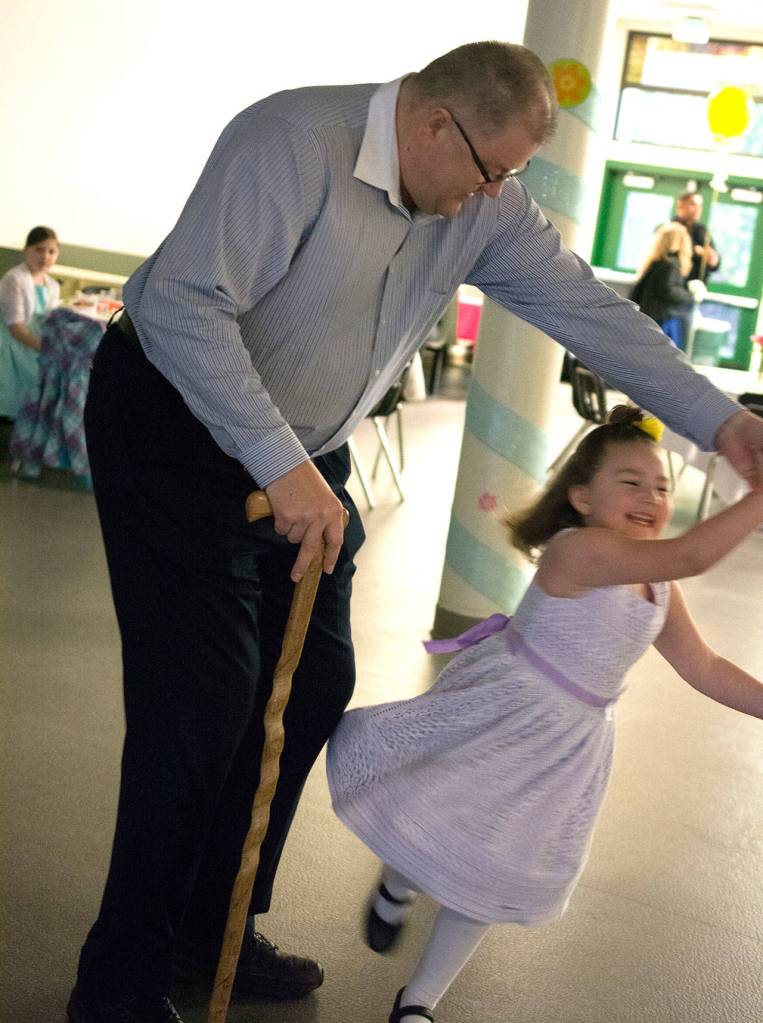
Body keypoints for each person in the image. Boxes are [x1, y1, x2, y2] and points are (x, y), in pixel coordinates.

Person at [69, 41, 763, 1023]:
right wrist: (279, 464)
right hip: (174, 425)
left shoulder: (480, 204)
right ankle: (120, 979)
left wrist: (723, 422)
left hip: (303, 453)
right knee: (203, 702)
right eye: (493, 171)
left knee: (314, 683)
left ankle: (211, 927)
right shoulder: (292, 140)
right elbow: (181, 305)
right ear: (436, 122)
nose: (496, 196)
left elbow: (590, 313)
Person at [327, 406, 763, 1023]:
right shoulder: (580, 551)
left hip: (568, 745)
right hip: (508, 713)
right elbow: (691, 554)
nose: (651, 497)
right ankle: (399, 882)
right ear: (582, 497)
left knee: (497, 862)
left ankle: (419, 1002)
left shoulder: (659, 587)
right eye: (631, 482)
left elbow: (706, 666)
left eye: (662, 487)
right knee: (444, 816)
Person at [0, 226, 60, 419]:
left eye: (51, 251)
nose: (45, 256)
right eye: (39, 249)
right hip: (13, 341)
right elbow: (16, 328)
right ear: (26, 250)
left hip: (34, 338)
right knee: (45, 374)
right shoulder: (15, 279)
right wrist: (45, 347)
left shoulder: (52, 285)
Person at [629, 222, 694, 349]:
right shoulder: (672, 265)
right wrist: (689, 295)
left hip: (648, 317)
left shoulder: (655, 262)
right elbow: (668, 290)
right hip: (663, 319)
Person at [673, 191, 721, 283]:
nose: (698, 209)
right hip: (675, 283)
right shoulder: (669, 229)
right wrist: (698, 252)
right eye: (693, 205)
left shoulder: (702, 230)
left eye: (700, 206)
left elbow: (715, 262)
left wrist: (713, 259)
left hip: (696, 286)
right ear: (681, 206)